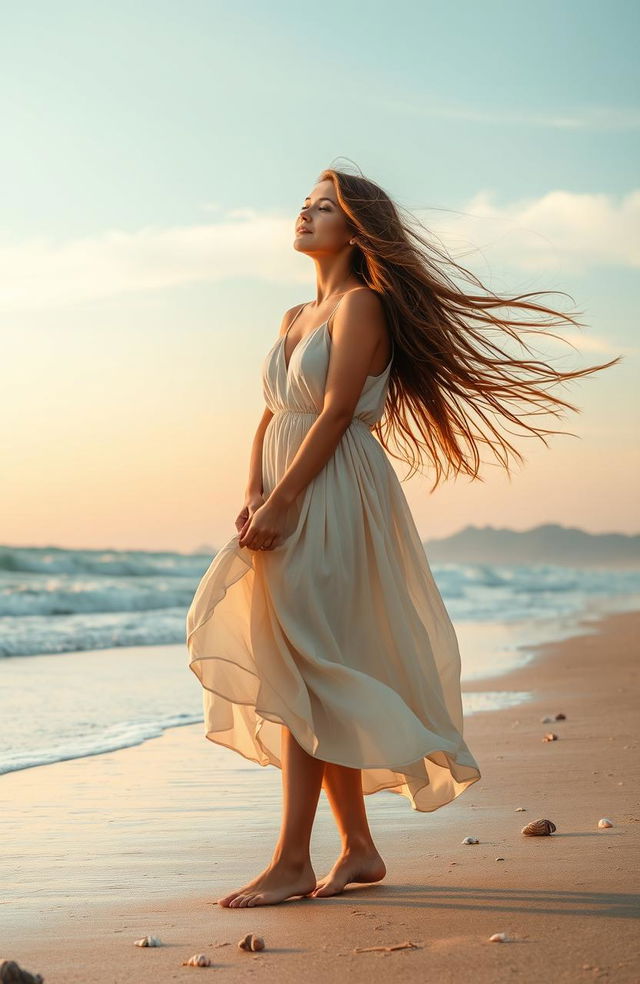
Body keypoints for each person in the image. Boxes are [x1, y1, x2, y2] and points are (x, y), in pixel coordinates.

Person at [186, 166, 620, 909]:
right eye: (306, 203)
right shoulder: (295, 315)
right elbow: (272, 411)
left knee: (311, 664)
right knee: (314, 661)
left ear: (355, 230)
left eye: (324, 208)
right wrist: (252, 490)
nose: (306, 213)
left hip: (333, 493)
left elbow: (332, 414)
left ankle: (294, 859)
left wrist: (286, 499)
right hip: (287, 489)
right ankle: (357, 849)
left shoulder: (362, 306)